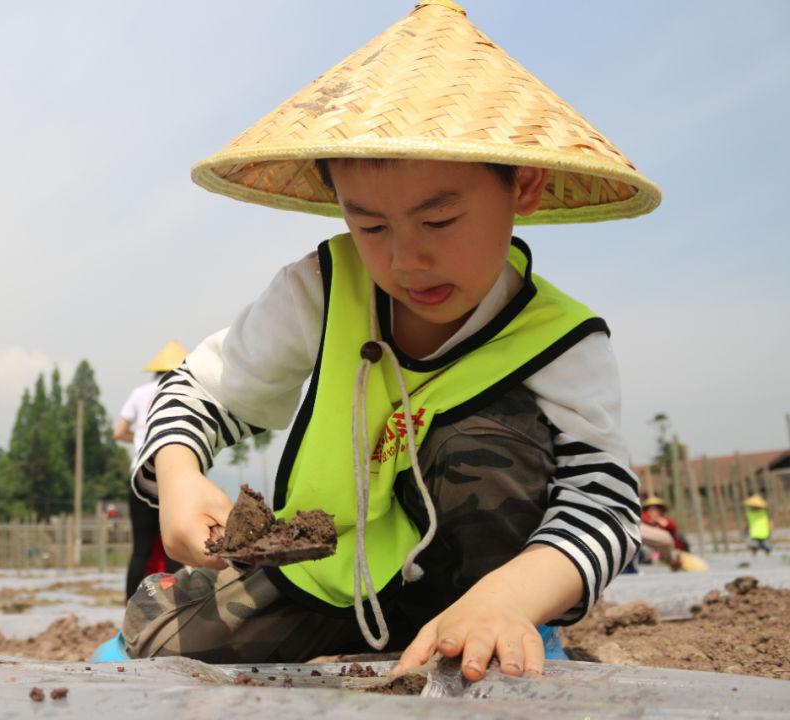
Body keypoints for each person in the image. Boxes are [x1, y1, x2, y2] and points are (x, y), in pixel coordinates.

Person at [124, 0, 655, 681]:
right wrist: (178, 470)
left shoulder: (560, 340)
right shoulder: (324, 287)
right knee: (158, 642)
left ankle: (501, 633)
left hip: (479, 586)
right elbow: (199, 390)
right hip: (323, 571)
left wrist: (510, 600)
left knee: (489, 443)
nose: (406, 261)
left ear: (523, 184)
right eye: (371, 227)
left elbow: (603, 501)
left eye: (439, 221)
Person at [116, 340, 188, 601]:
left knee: (141, 549)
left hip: (140, 478)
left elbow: (119, 432)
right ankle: (172, 603)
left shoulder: (139, 393)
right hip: (172, 478)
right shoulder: (186, 391)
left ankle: (130, 607)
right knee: (174, 548)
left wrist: (140, 440)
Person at [637, 496, 682, 571]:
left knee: (672, 554)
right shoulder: (644, 519)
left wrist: (659, 521)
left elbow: (672, 528)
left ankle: (673, 561)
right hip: (651, 548)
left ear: (660, 511)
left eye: (655, 509)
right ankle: (653, 561)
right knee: (651, 553)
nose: (652, 512)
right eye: (649, 509)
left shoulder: (666, 520)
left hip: (667, 549)